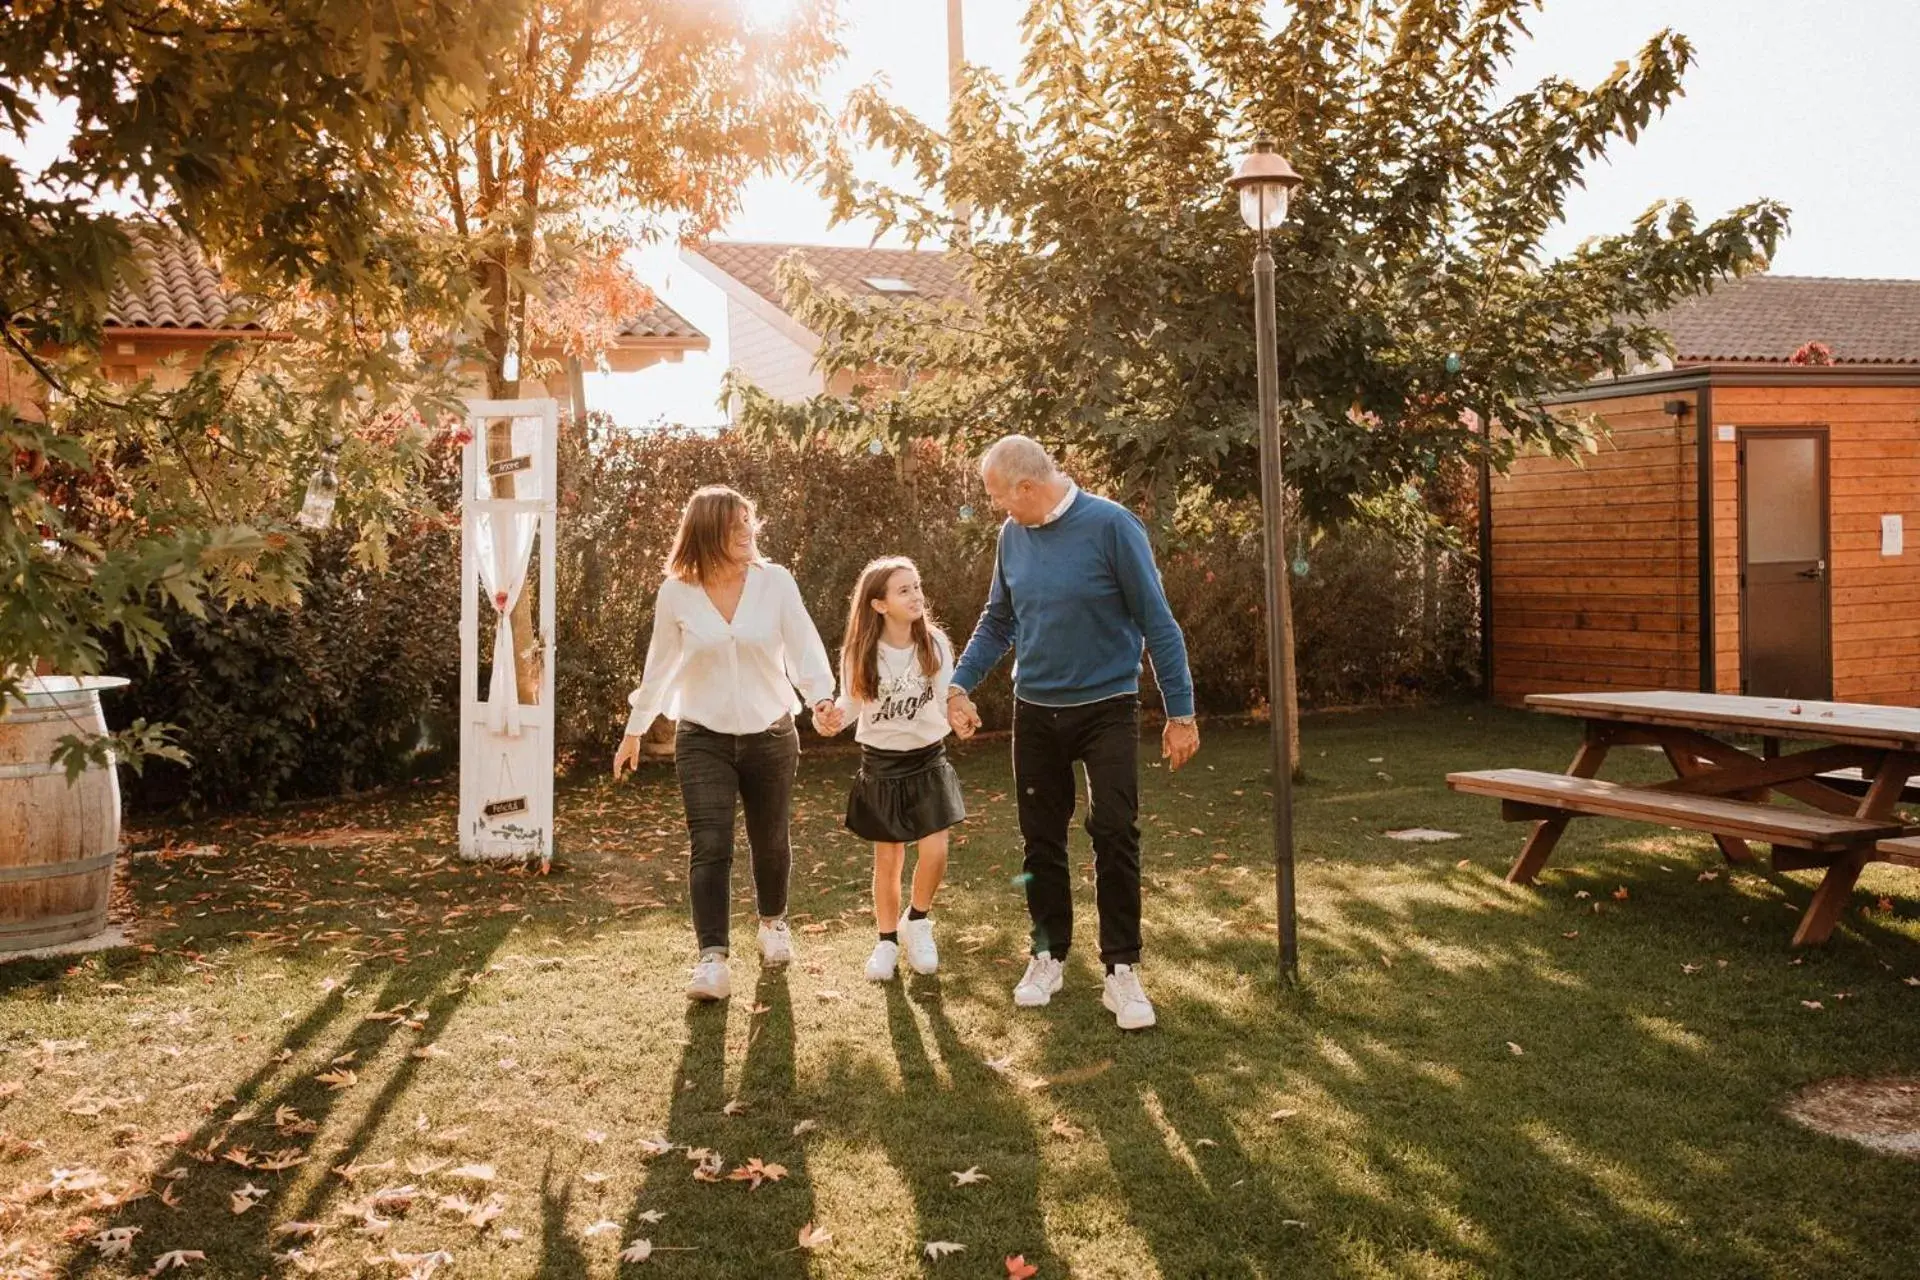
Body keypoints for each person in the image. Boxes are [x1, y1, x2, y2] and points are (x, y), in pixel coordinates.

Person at [945, 436, 1199, 1031]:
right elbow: (998, 619)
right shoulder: (1013, 537)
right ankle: (1048, 954)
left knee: (1113, 829)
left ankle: (1121, 971)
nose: (997, 508)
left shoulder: (1112, 526)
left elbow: (1157, 621)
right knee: (1040, 837)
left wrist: (1180, 713)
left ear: (1028, 487)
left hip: (1107, 705)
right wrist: (960, 683)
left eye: (999, 496)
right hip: (1035, 710)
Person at [612, 485, 843, 1002]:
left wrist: (822, 699)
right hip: (703, 738)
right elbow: (660, 665)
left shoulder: (775, 582)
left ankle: (772, 923)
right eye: (736, 524)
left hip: (771, 735)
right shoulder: (677, 592)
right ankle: (712, 960)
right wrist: (634, 729)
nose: (748, 531)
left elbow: (804, 646)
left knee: (771, 840)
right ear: (708, 530)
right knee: (710, 844)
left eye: (749, 521)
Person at [819, 557, 967, 982]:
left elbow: (944, 700)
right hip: (881, 764)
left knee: (935, 852)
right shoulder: (860, 651)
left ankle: (916, 921)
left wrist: (958, 716)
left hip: (928, 760)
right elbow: (849, 706)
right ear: (879, 604)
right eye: (904, 590)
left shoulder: (935, 644)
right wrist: (828, 719)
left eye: (917, 586)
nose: (916, 595)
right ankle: (885, 942)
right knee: (889, 860)